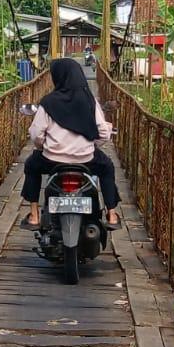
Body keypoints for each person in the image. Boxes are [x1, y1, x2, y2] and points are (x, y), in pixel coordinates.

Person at [20, 57, 121, 231]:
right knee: (107, 167)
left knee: (31, 165)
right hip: (86, 159)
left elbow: (36, 133)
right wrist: (92, 145)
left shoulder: (48, 102)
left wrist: (43, 147)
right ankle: (112, 215)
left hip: (52, 159)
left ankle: (34, 215)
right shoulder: (90, 101)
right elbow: (104, 132)